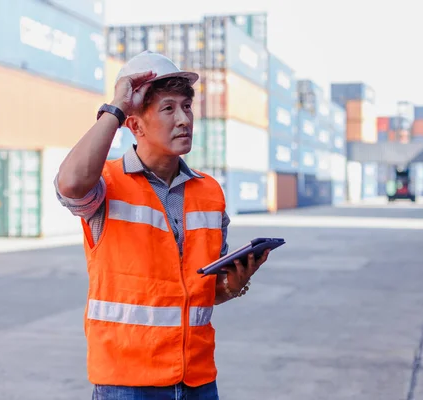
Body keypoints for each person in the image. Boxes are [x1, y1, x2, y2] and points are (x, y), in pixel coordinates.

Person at [55, 51, 270, 400]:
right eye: (168, 109)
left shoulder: (209, 192)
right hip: (126, 384)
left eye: (187, 106)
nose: (184, 119)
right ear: (135, 125)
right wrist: (117, 107)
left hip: (197, 380)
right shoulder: (106, 184)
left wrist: (233, 283)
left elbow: (201, 292)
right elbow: (71, 184)